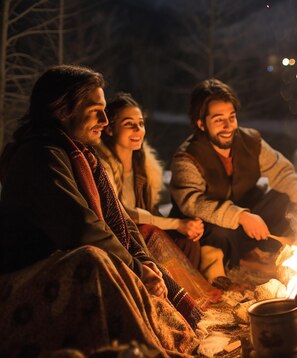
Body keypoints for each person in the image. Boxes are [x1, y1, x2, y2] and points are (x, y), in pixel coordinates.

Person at [0, 65, 198, 356]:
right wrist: (135, 268)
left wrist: (143, 259)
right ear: (61, 110)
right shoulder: (39, 156)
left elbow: (121, 220)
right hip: (22, 283)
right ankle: (137, 349)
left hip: (58, 265)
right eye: (96, 111)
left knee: (139, 258)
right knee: (93, 259)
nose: (106, 121)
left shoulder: (83, 157)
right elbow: (80, 227)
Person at [170, 78, 297, 269]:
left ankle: (261, 253)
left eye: (232, 117)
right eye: (219, 120)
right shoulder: (187, 157)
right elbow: (193, 203)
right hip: (215, 228)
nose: (228, 126)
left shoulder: (250, 142)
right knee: (220, 232)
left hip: (248, 220)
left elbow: (283, 173)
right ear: (201, 124)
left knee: (285, 197)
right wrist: (241, 217)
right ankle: (235, 263)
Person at [96, 92, 228, 299]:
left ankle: (185, 292)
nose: (138, 130)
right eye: (129, 124)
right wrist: (176, 223)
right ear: (110, 129)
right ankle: (180, 295)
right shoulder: (103, 166)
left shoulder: (143, 167)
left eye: (140, 123)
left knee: (188, 240)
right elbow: (125, 214)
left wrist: (184, 226)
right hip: (122, 238)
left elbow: (150, 210)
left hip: (145, 230)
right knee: (153, 232)